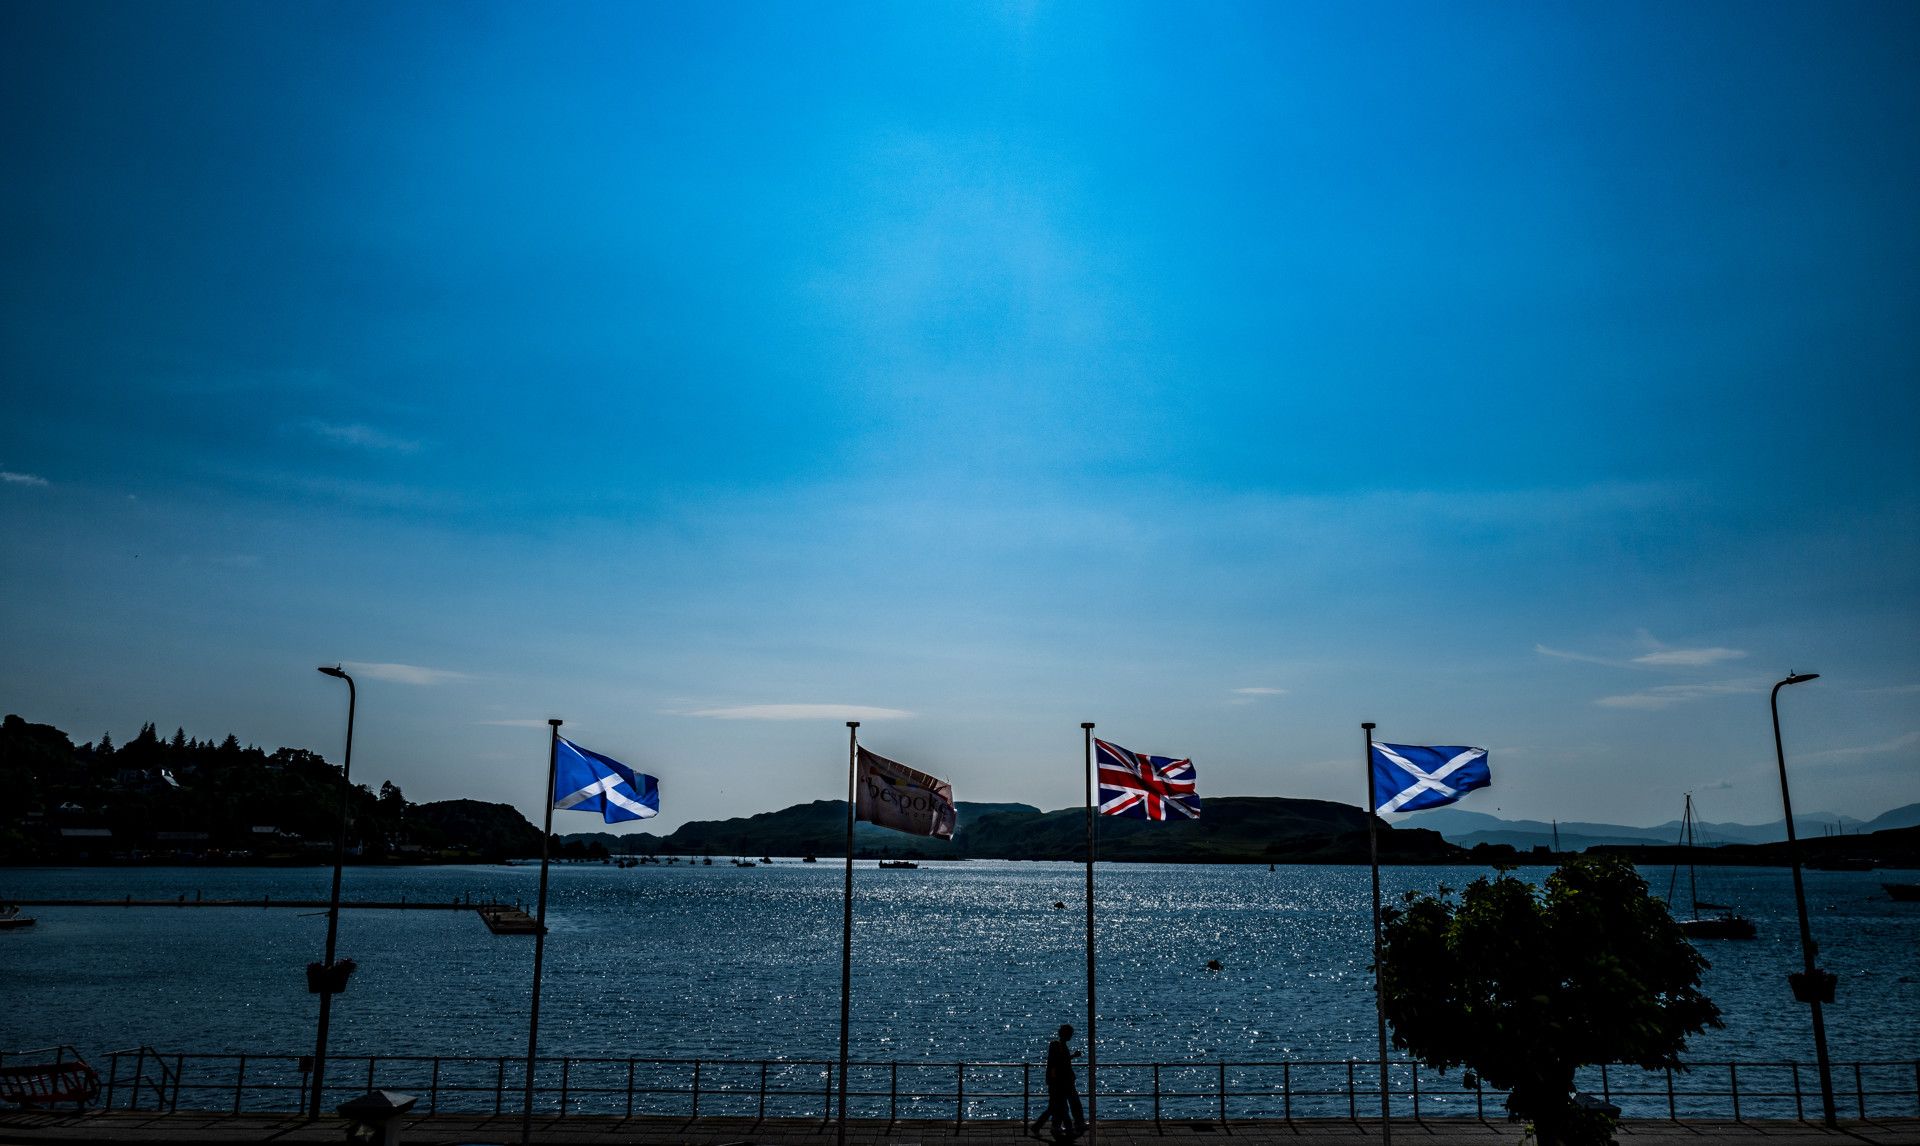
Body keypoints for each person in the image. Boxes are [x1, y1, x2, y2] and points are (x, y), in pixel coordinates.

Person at [1030, 1023, 1085, 1141]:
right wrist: (1055, 1081)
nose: (1070, 1036)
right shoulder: (1058, 1046)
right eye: (1069, 1034)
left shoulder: (1060, 1045)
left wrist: (1073, 1056)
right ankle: (1069, 1131)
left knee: (1054, 1107)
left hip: (1058, 1082)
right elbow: (1055, 1065)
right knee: (1061, 1108)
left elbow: (1061, 1060)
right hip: (1059, 1082)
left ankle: (1038, 1126)